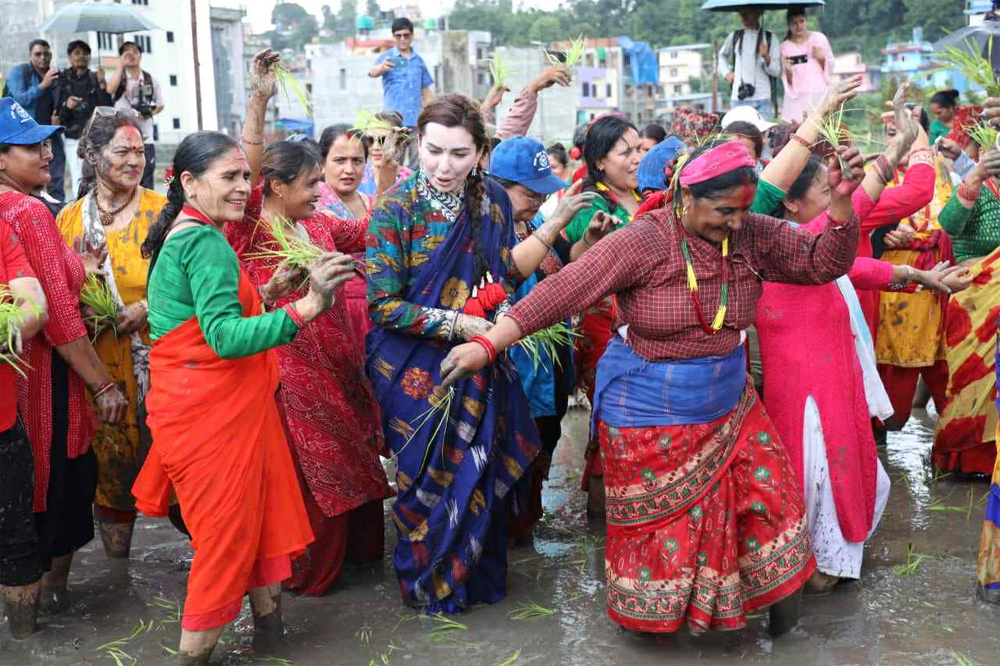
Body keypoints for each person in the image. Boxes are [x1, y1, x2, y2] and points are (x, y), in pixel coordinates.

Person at [439, 138, 870, 635]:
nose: (736, 222)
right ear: (686, 197)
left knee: (775, 506)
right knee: (665, 549)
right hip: (649, 415)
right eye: (724, 211)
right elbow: (563, 291)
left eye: (743, 210)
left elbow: (820, 263)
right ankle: (660, 633)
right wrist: (488, 344)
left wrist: (841, 206)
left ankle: (786, 638)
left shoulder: (752, 233)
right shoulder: (644, 240)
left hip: (730, 405)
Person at [131, 128, 350, 664]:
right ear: (189, 182)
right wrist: (308, 305)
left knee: (255, 522)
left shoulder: (190, 231)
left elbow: (202, 315)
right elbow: (225, 338)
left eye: (245, 176)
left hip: (199, 404)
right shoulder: (204, 242)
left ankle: (271, 636)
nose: (241, 187)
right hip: (210, 416)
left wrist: (267, 293)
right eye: (229, 176)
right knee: (225, 544)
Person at [366, 94, 585, 613]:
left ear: (481, 153)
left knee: (480, 471)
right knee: (424, 478)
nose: (444, 166)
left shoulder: (493, 201)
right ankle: (428, 589)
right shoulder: (395, 208)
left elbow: (502, 275)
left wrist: (496, 319)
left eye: (459, 154)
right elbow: (381, 304)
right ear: (418, 146)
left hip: (481, 360)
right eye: (434, 151)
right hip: (412, 371)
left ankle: (477, 583)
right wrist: (457, 323)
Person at [757, 96, 968, 593]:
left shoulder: (807, 244)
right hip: (807, 389)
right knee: (818, 472)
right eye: (825, 190)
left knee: (847, 469)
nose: (836, 196)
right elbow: (859, 208)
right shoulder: (781, 244)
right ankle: (814, 569)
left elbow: (853, 265)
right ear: (791, 202)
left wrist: (917, 275)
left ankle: (824, 563)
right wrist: (897, 151)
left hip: (833, 379)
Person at [227, 52, 392, 596]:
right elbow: (248, 166)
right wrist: (259, 99)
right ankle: (306, 579)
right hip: (289, 381)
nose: (321, 190)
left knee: (356, 460)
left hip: (340, 369)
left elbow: (372, 230)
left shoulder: (319, 224)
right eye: (311, 182)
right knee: (310, 476)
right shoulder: (249, 229)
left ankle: (359, 565)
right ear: (275, 187)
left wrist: (390, 174)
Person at [0, 98, 128, 628]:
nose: (46, 153)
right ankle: (49, 605)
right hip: (45, 378)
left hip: (13, 380)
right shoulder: (29, 211)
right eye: (31, 147)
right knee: (58, 487)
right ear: (0, 158)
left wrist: (76, 263)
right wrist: (102, 385)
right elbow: (58, 316)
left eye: (47, 143)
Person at [55, 108, 165, 574]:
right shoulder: (68, 220)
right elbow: (56, 298)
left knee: (177, 476)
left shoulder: (164, 213)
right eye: (122, 151)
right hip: (99, 377)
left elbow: (192, 286)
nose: (134, 161)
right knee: (111, 477)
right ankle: (121, 580)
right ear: (92, 154)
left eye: (139, 151)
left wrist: (145, 308)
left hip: (161, 371)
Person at [488, 136, 612, 540]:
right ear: (497, 187)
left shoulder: (536, 223)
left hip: (550, 360)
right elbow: (508, 277)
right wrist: (556, 221)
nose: (537, 201)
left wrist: (588, 240)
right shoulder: (485, 232)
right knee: (508, 450)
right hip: (512, 360)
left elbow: (566, 261)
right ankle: (502, 535)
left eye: (542, 193)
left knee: (543, 441)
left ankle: (525, 526)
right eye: (529, 193)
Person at [560, 115, 643, 516]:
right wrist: (593, 239)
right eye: (626, 152)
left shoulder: (647, 195)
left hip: (645, 325)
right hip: (604, 328)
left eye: (639, 149)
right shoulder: (590, 203)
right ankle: (600, 527)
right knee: (611, 420)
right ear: (599, 162)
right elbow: (576, 260)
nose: (636, 158)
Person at [875, 111, 958, 430]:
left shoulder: (939, 170)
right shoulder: (873, 174)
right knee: (889, 373)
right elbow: (860, 228)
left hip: (940, 280)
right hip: (894, 288)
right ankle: (881, 436)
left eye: (909, 133)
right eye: (892, 133)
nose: (901, 139)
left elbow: (951, 219)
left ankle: (949, 441)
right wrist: (884, 231)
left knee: (945, 367)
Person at [933, 148, 1000, 475]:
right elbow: (949, 223)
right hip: (974, 300)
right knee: (970, 379)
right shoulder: (980, 186)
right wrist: (976, 175)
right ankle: (965, 461)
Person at [0, 221, 48, 639]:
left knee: (15, 541)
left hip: (2, 425)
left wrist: (12, 328)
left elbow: (34, 303)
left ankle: (24, 648)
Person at [317, 123, 381, 345]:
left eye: (357, 161)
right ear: (322, 164)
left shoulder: (371, 202)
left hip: (378, 310)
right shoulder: (312, 207)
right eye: (339, 160)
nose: (349, 169)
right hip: (335, 312)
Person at [368, 17, 434, 166]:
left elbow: (426, 91)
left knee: (417, 164)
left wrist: (433, 115)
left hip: (416, 120)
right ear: (394, 36)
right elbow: (372, 72)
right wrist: (381, 68)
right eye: (398, 36)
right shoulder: (387, 58)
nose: (402, 39)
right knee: (393, 162)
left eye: (406, 35)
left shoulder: (419, 61)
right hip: (393, 122)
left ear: (412, 35)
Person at [6, 39, 67, 201]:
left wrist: (60, 114)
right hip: (28, 136)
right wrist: (42, 85)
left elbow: (59, 101)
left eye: (46, 54)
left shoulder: (55, 75)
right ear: (30, 55)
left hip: (51, 132)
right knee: (31, 180)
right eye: (38, 54)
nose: (43, 57)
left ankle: (58, 211)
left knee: (56, 177)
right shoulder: (20, 72)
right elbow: (18, 100)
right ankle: (34, 209)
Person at [107, 41, 164, 190]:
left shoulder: (150, 80)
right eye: (126, 52)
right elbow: (110, 89)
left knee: (146, 175)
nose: (131, 54)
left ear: (140, 56)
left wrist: (147, 112)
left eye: (135, 51)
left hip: (145, 136)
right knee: (124, 176)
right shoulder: (119, 78)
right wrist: (121, 65)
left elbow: (160, 104)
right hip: (122, 137)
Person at [57, 41, 112, 194]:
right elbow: (57, 112)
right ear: (69, 57)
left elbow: (107, 107)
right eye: (77, 53)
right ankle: (79, 206)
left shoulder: (95, 78)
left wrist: (102, 85)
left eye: (85, 53)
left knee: (98, 178)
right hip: (72, 136)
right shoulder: (62, 79)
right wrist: (67, 106)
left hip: (95, 137)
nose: (81, 56)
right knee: (78, 177)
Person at [718, 6, 782, 119]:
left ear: (758, 12)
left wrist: (766, 56)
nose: (743, 16)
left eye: (747, 12)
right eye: (741, 13)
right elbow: (721, 55)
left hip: (762, 98)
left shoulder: (770, 38)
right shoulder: (735, 36)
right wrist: (726, 73)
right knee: (738, 130)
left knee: (763, 130)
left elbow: (776, 71)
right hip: (739, 97)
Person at [779, 6, 834, 123]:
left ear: (806, 21)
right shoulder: (784, 47)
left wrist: (821, 59)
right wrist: (788, 71)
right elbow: (787, 82)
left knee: (820, 126)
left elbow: (831, 66)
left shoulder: (819, 38)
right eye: (794, 23)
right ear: (789, 25)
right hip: (797, 97)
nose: (798, 26)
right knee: (796, 128)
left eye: (801, 21)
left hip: (818, 93)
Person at [357, 111, 413, 197]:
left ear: (399, 142)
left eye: (383, 140)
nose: (375, 147)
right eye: (370, 140)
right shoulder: (356, 175)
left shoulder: (412, 181)